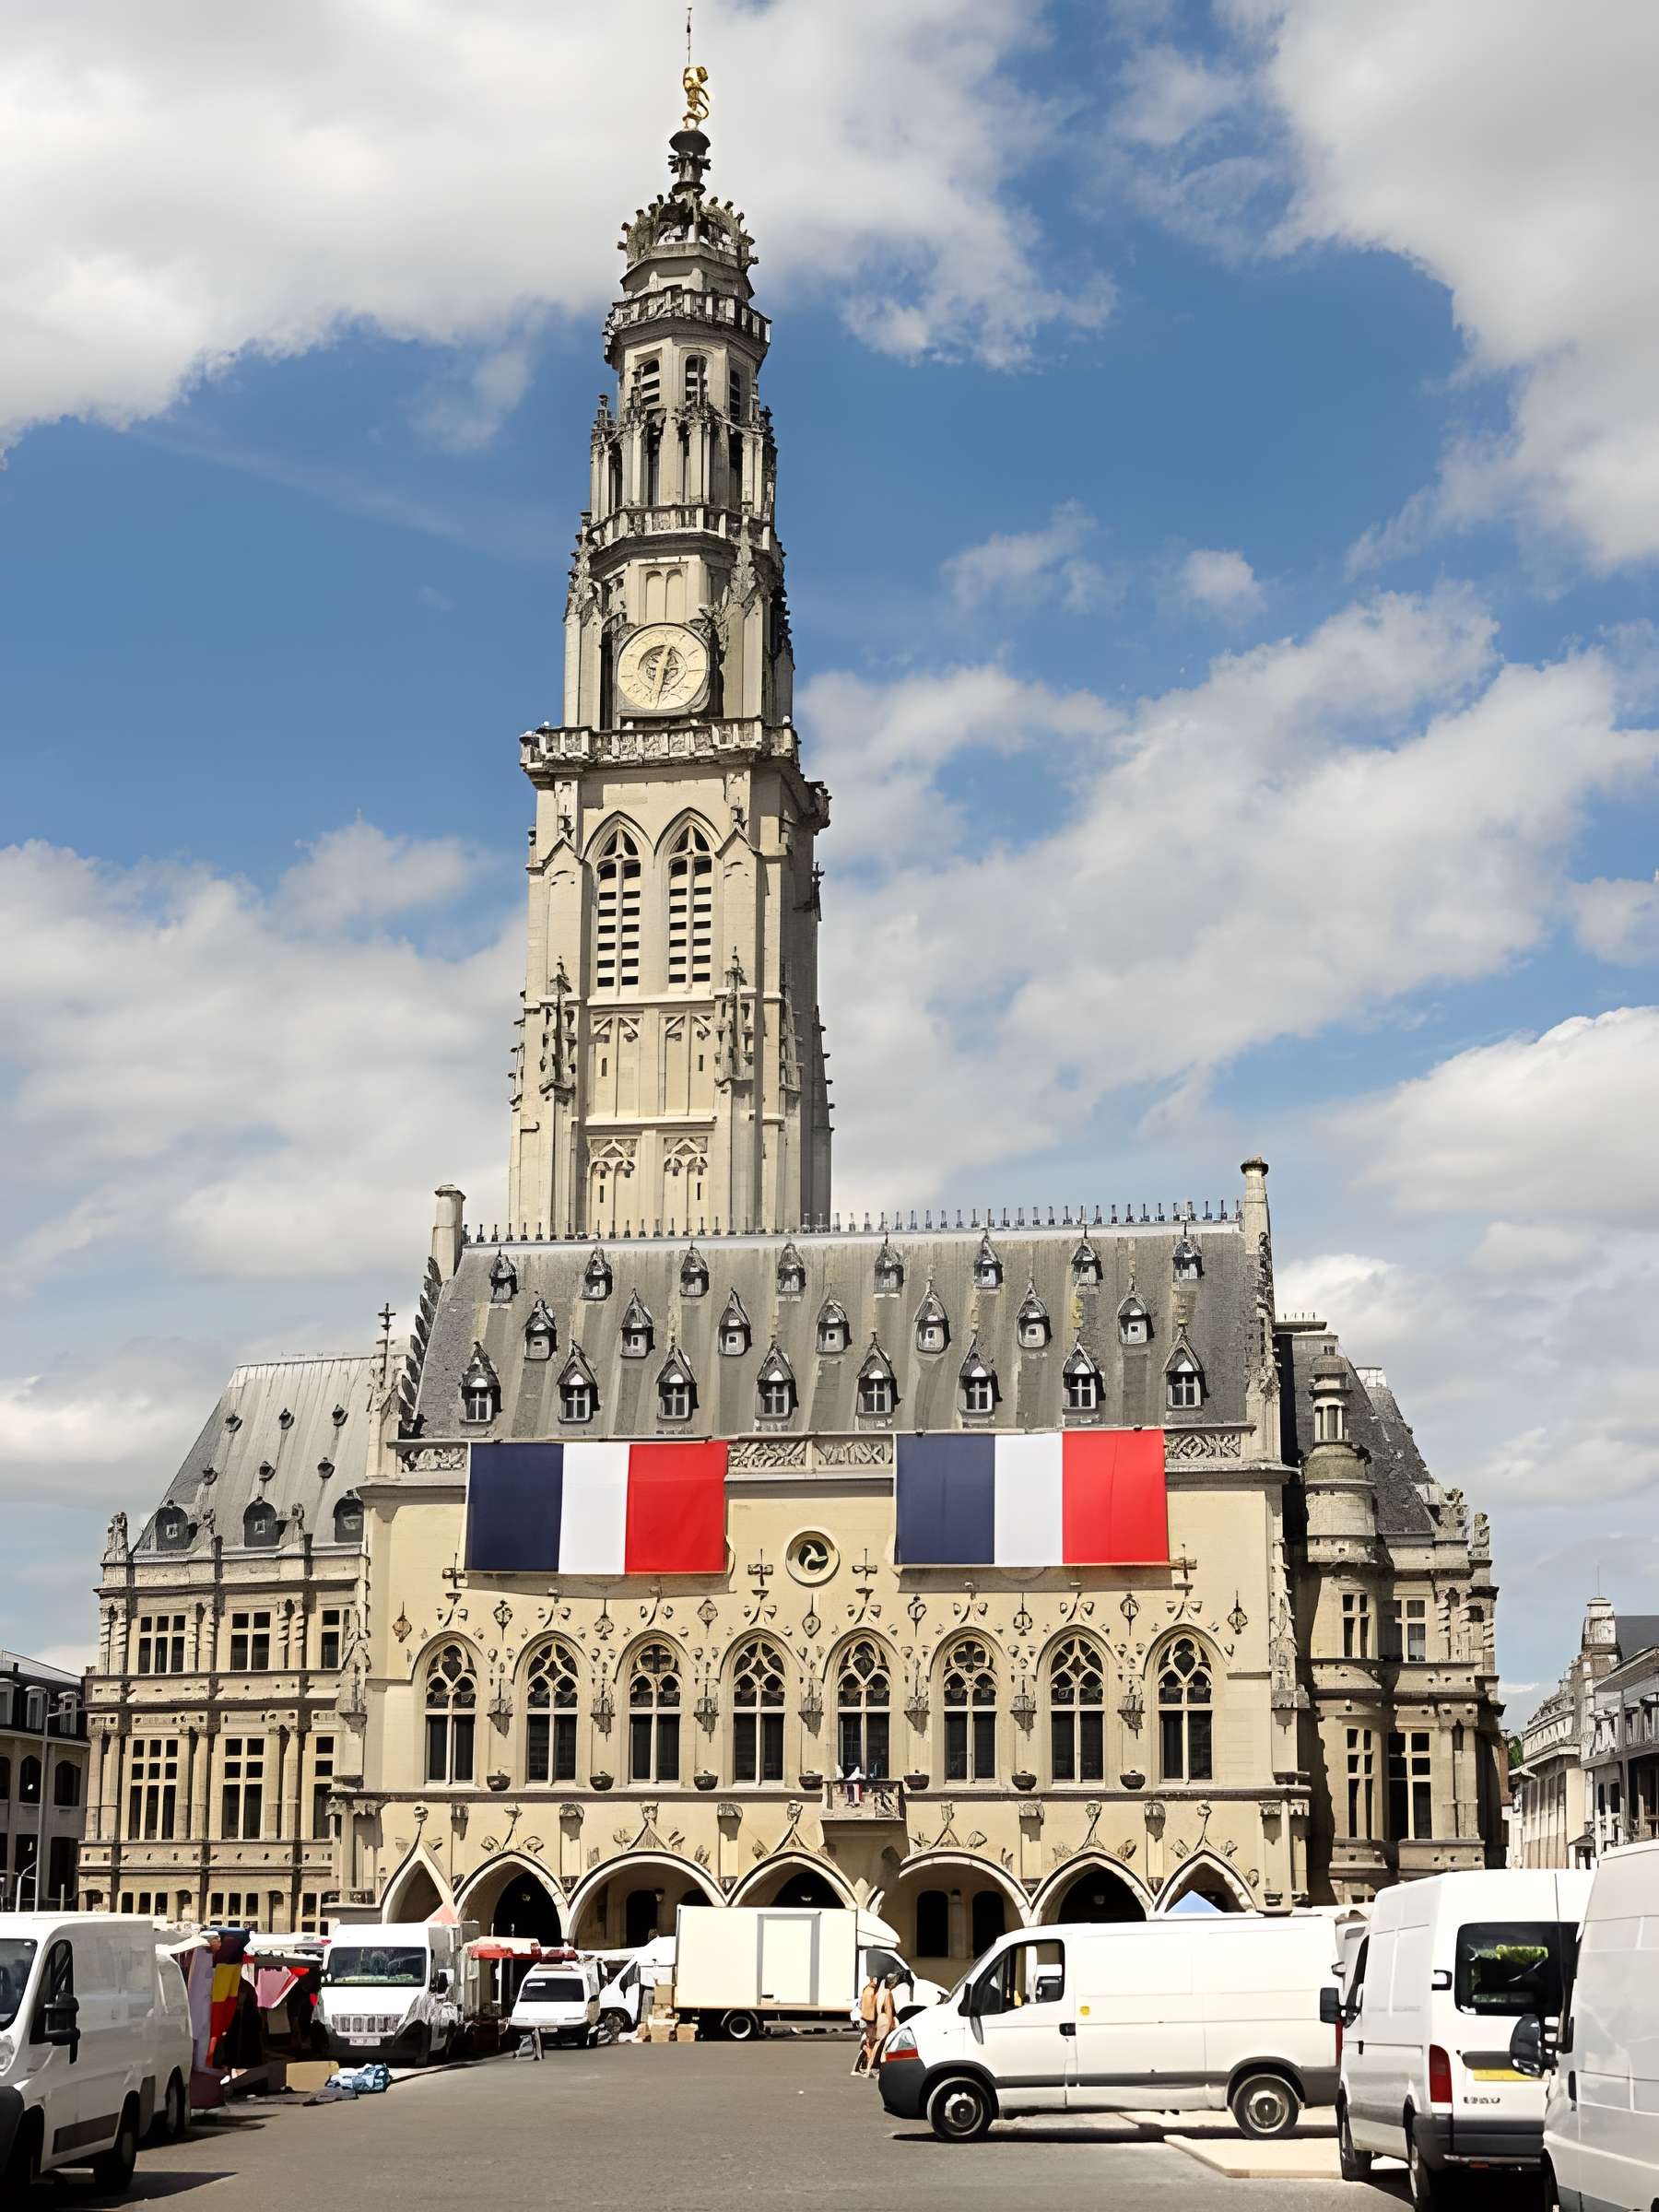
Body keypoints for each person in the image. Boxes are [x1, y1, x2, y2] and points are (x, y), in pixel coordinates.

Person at [852, 1969, 881, 2077]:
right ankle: (869, 2069)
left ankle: (857, 2068)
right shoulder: (871, 1991)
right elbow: (870, 2009)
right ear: (871, 1979)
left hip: (862, 2020)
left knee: (867, 2044)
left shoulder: (866, 1989)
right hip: (867, 2021)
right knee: (870, 2046)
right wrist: (872, 2023)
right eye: (875, 1979)